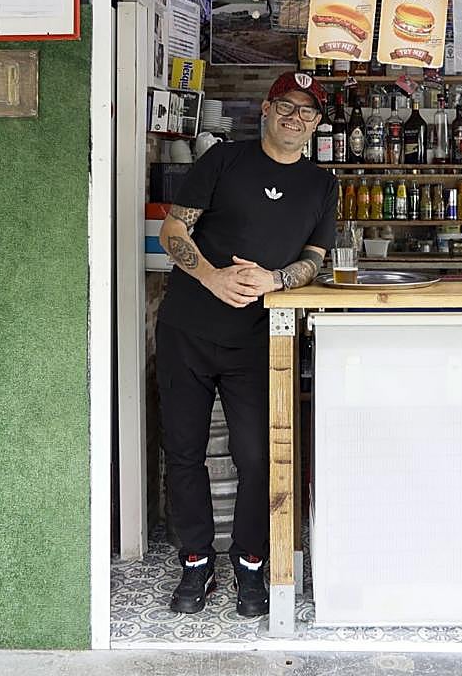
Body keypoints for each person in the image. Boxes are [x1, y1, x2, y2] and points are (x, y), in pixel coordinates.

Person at [156, 70, 338, 617]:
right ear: (266, 107)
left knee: (257, 456)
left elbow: (315, 258)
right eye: (287, 105)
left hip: (260, 339)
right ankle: (195, 559)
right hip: (187, 328)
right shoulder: (223, 160)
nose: (295, 117)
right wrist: (211, 276)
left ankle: (250, 561)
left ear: (316, 123)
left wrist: (275, 281)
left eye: (307, 110)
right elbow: (173, 230)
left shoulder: (320, 183)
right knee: (183, 452)